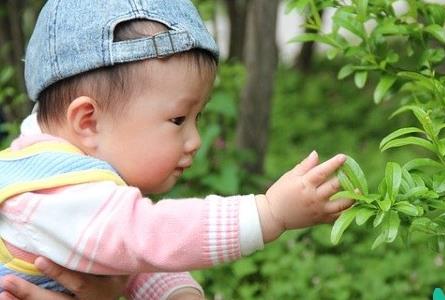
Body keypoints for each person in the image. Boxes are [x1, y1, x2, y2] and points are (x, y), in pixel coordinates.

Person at [0, 0, 353, 299]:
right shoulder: (55, 194)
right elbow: (145, 237)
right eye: (179, 119)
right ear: (88, 121)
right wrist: (268, 214)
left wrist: (177, 291)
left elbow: (128, 256)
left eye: (198, 117)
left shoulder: (45, 171)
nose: (195, 140)